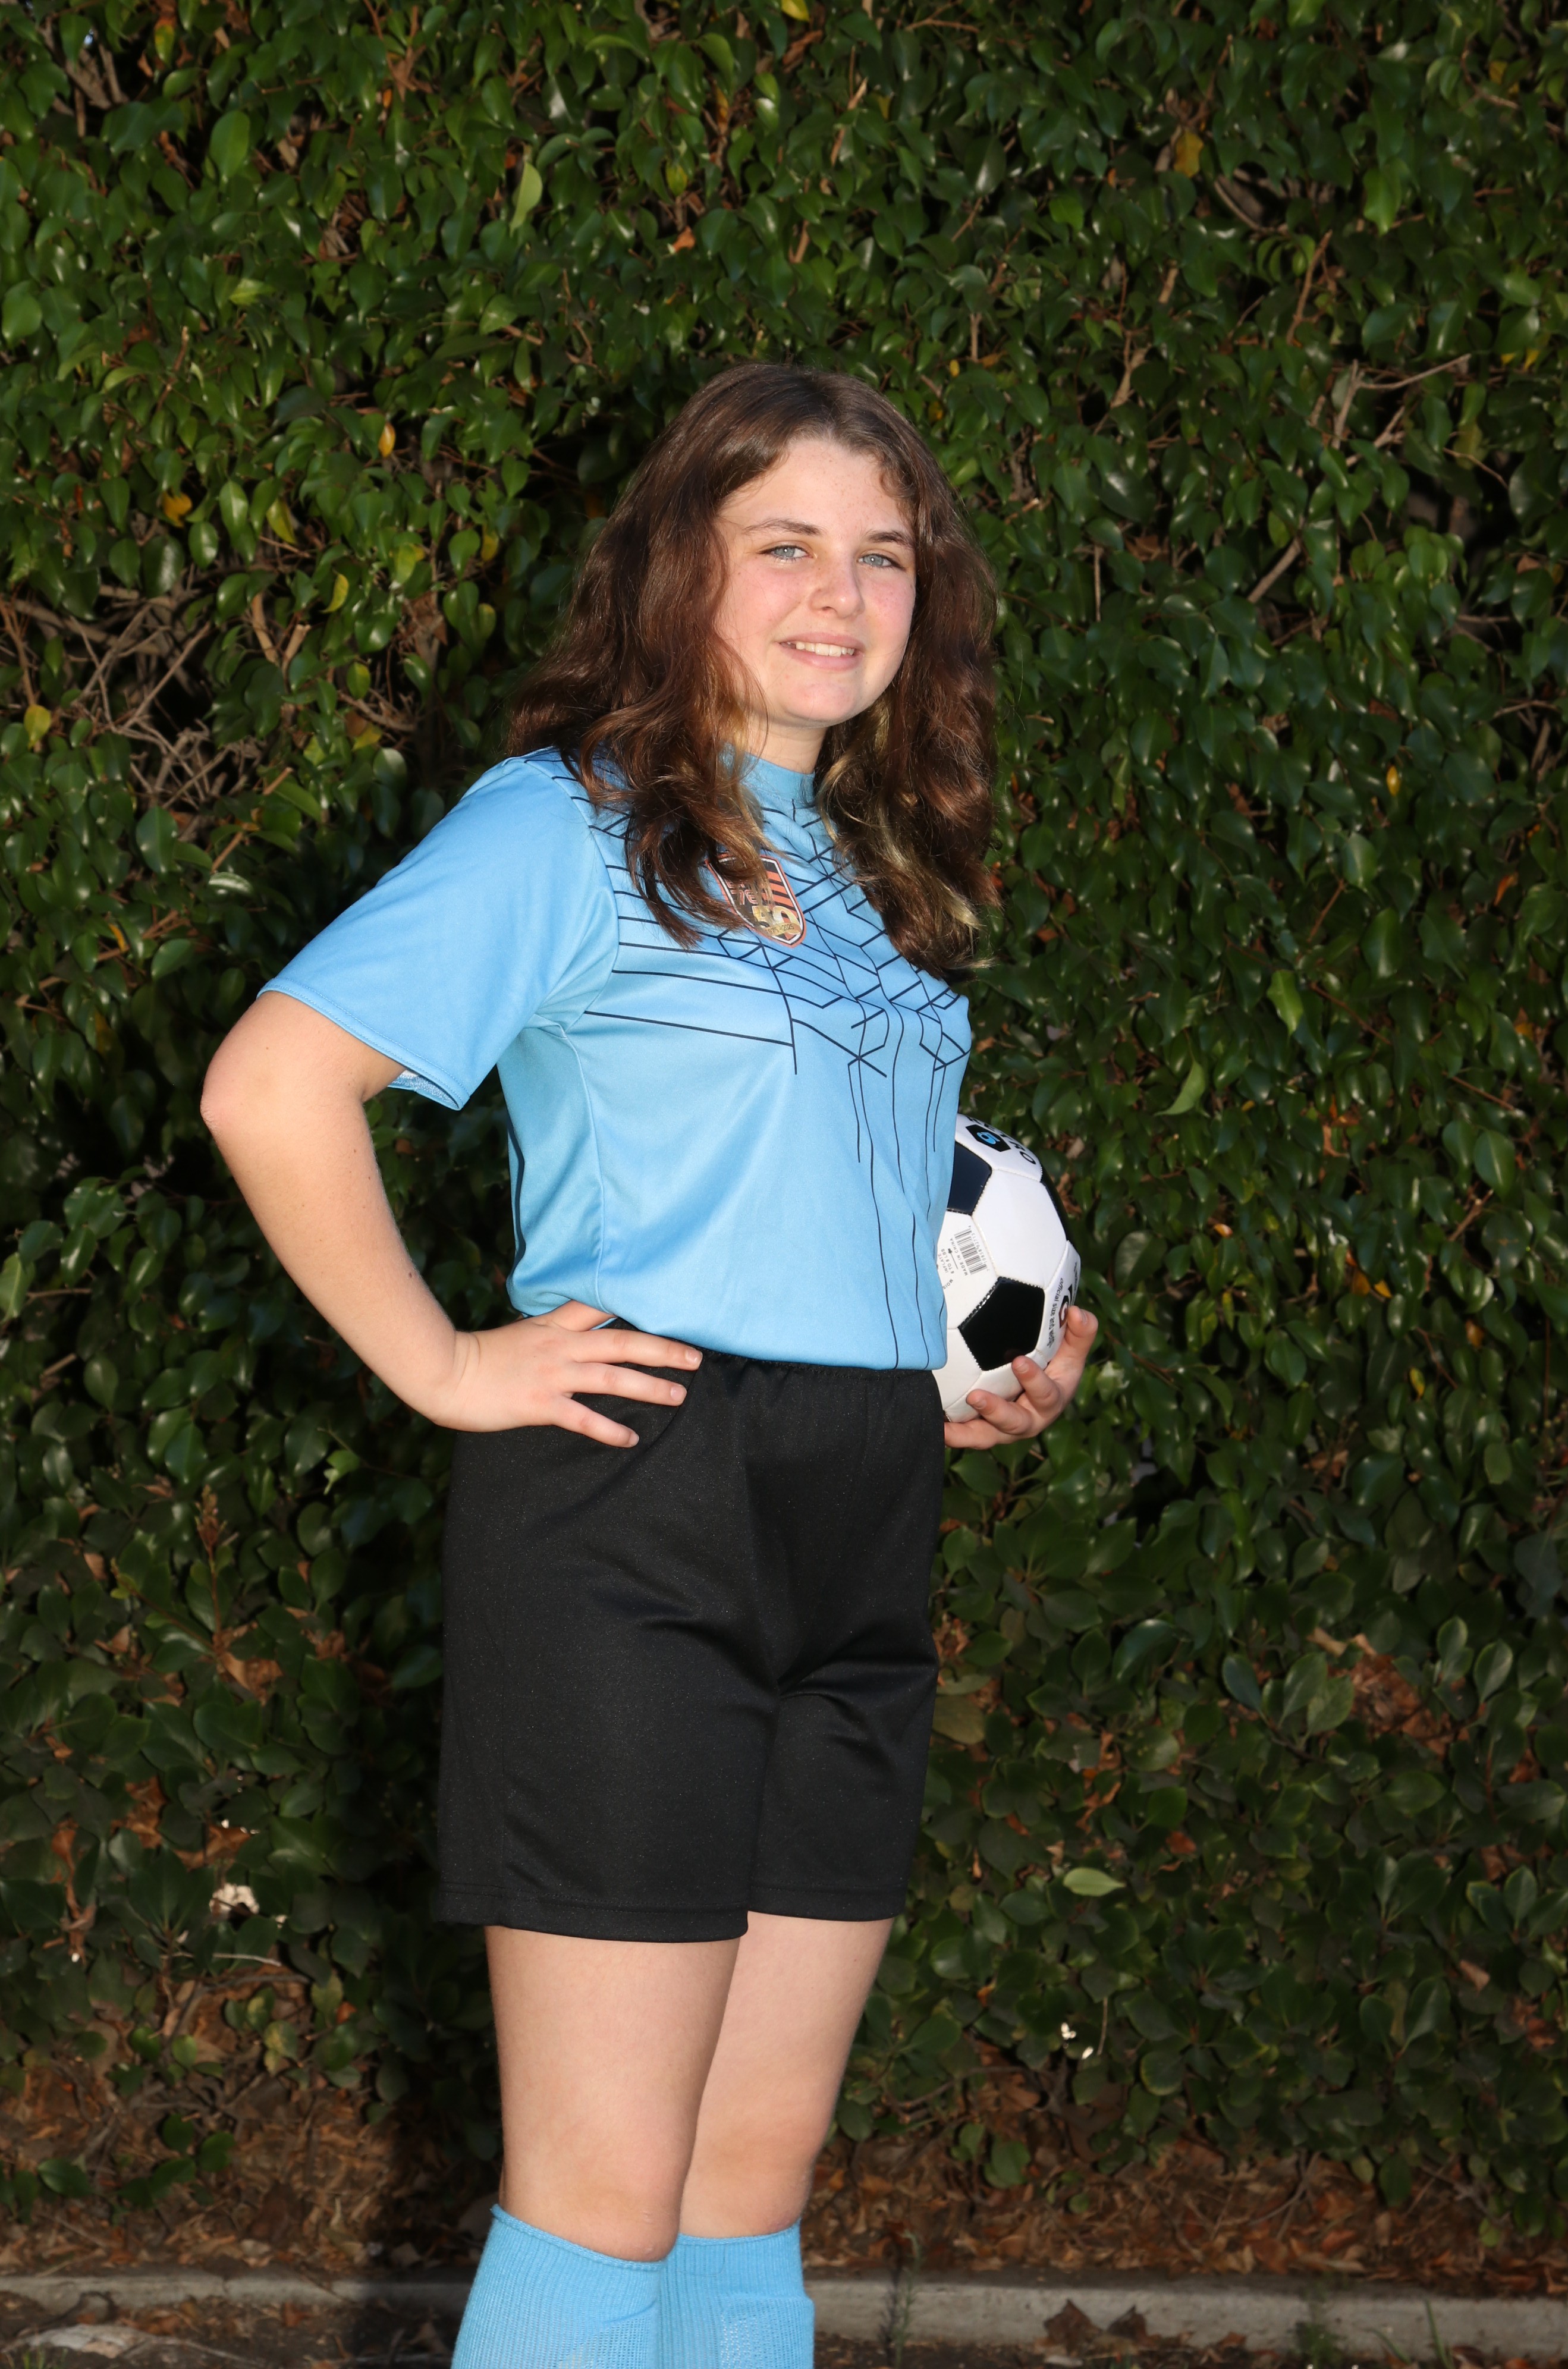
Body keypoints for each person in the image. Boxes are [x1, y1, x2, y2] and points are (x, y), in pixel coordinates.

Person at [202, 363, 1099, 2369]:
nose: (840, 594)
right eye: (786, 544)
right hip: (634, 1517)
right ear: (677, 561)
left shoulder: (879, 877)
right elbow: (272, 1086)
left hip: (862, 1522)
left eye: (884, 555)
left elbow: (854, 1211)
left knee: (744, 2196)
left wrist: (972, 1372)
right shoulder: (570, 822)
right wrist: (446, 1365)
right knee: (601, 2203)